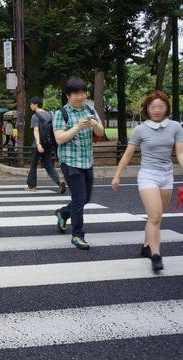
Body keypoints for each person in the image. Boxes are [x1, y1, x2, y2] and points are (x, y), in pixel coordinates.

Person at [111, 90, 183, 272]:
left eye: (160, 106)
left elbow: (180, 153)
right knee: (154, 216)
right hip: (148, 175)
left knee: (157, 217)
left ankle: (145, 246)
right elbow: (128, 154)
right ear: (147, 109)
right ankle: (156, 254)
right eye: (153, 107)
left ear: (166, 107)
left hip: (167, 175)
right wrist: (117, 175)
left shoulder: (175, 127)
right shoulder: (140, 129)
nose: (157, 110)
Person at [53, 77, 104, 250]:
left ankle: (63, 213)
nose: (80, 96)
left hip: (87, 161)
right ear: (68, 95)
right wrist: (77, 127)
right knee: (79, 198)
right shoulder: (61, 113)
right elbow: (59, 139)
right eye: (75, 93)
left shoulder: (90, 109)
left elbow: (100, 132)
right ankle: (77, 235)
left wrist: (95, 123)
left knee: (85, 199)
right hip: (69, 161)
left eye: (82, 93)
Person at [26, 96, 67, 194]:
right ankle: (59, 181)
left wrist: (38, 143)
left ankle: (32, 186)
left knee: (33, 165)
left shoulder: (35, 116)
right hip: (49, 144)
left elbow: (36, 131)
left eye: (31, 104)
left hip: (38, 145)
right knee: (49, 165)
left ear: (35, 105)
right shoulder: (50, 114)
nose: (30, 106)